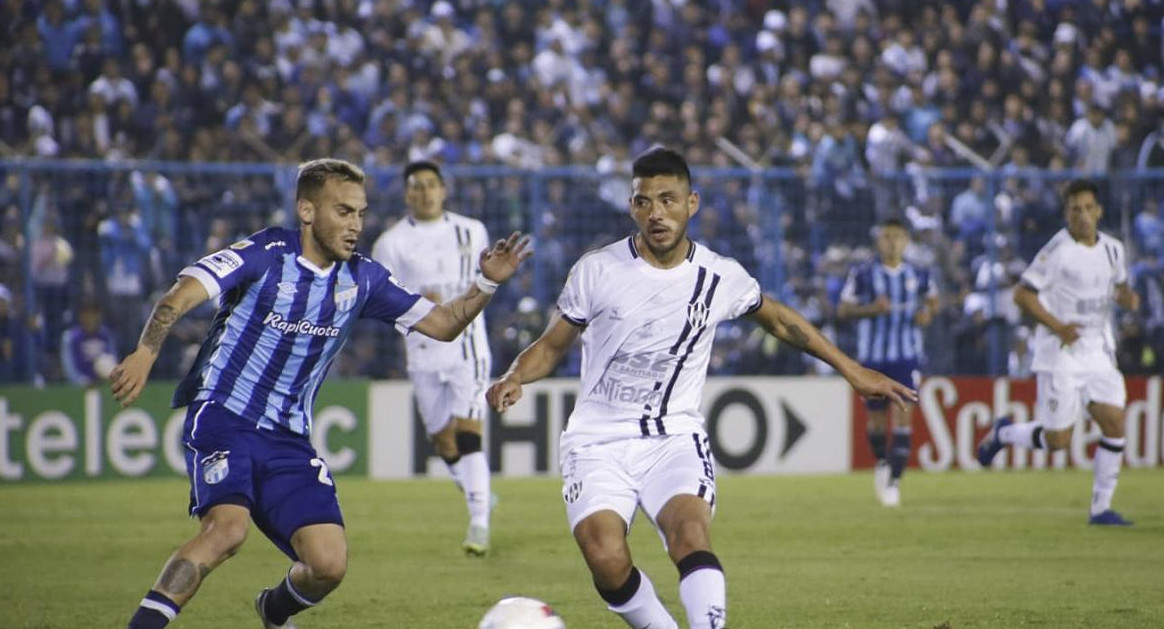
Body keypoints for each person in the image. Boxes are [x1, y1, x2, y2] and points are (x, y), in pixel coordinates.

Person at [486, 148, 915, 629]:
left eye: (668, 200)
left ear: (692, 203)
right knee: (604, 554)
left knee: (689, 534)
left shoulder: (718, 276)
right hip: (597, 438)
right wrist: (514, 376)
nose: (656, 213)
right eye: (644, 202)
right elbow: (552, 345)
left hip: (674, 436)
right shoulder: (597, 270)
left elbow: (779, 319)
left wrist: (852, 370)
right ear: (632, 208)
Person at [113, 158, 530, 629]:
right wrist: (146, 353)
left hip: (289, 439)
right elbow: (180, 295)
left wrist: (488, 282)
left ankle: (273, 610)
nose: (355, 225)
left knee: (328, 565)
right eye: (343, 211)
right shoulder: (266, 253)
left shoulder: (364, 278)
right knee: (227, 532)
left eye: (360, 213)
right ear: (307, 211)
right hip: (225, 417)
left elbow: (445, 323)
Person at [977, 179, 1140, 526]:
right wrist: (1057, 325)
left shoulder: (1113, 249)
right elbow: (1023, 294)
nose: (1081, 215)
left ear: (1099, 211)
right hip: (1061, 353)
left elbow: (1121, 287)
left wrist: (1128, 298)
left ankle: (1100, 509)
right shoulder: (1057, 251)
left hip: (1098, 349)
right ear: (1066, 213)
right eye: (1074, 209)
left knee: (1114, 423)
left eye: (1087, 208)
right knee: (1057, 440)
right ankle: (1004, 434)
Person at [371, 161, 495, 555]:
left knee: (467, 432)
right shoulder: (390, 243)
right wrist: (421, 308)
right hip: (422, 350)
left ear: (443, 190)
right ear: (407, 194)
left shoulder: (471, 230)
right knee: (443, 442)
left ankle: (479, 524)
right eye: (416, 187)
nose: (424, 193)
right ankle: (479, 494)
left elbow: (485, 283)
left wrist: (457, 306)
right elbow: (381, 300)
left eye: (430, 186)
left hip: (467, 346)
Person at [837, 217, 938, 507]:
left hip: (907, 357)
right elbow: (843, 310)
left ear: (906, 241)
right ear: (879, 240)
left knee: (905, 413)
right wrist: (871, 309)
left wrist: (926, 315)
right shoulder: (864, 273)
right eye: (887, 236)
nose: (892, 242)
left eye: (897, 236)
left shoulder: (919, 273)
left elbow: (933, 301)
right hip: (873, 358)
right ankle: (882, 461)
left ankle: (894, 480)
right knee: (877, 421)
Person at [61, 300, 118, 386]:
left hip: (103, 383)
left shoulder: (106, 335)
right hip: (80, 386)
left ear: (99, 316)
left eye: (93, 315)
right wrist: (82, 381)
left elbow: (113, 358)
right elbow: (69, 367)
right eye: (87, 315)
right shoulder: (70, 337)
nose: (90, 319)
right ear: (81, 316)